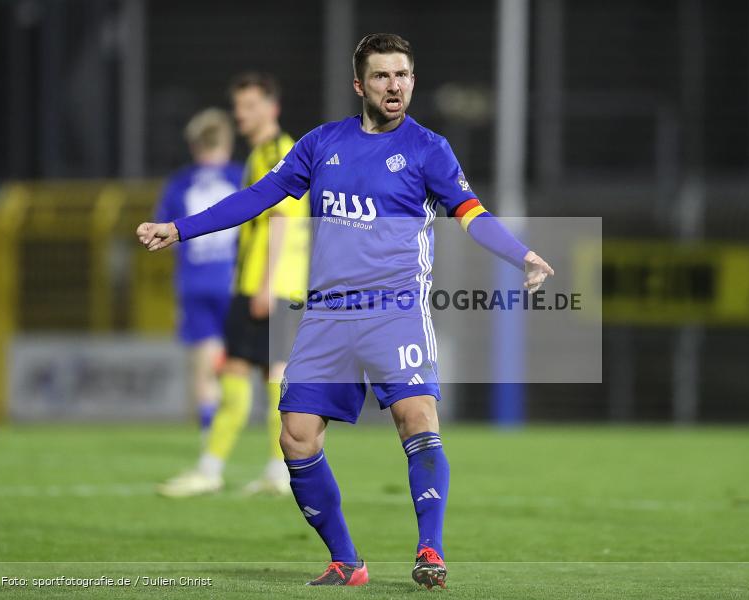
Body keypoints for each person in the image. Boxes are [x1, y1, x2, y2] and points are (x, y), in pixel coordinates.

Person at [138, 34, 553, 588]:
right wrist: (180, 229)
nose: (395, 85)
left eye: (403, 74)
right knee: (296, 437)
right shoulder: (320, 144)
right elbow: (258, 197)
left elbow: (473, 214)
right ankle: (345, 560)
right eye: (382, 76)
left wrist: (522, 255)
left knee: (417, 418)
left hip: (395, 310)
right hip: (328, 315)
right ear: (360, 85)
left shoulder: (430, 148)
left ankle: (430, 551)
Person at [157, 73, 311, 498]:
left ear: (270, 108)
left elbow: (281, 219)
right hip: (263, 284)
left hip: (271, 286)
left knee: (267, 379)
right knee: (246, 376)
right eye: (238, 106)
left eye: (248, 106)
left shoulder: (278, 152)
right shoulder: (262, 153)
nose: (239, 115)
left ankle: (254, 470)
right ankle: (247, 469)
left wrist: (266, 284)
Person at [154, 108, 241, 441]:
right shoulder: (241, 176)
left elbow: (165, 234)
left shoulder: (179, 183)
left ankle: (210, 438)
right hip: (235, 281)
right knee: (240, 365)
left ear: (194, 145)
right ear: (228, 142)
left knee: (203, 364)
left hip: (195, 283)